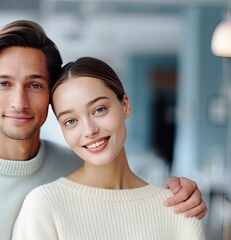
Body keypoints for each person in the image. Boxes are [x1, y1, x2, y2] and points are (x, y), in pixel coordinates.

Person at [0, 20, 206, 240]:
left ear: (50, 96)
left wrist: (181, 194)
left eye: (34, 85)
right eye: (4, 84)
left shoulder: (79, 167)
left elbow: (129, 204)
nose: (19, 102)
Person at [11, 57, 205, 239]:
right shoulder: (44, 206)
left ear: (125, 106)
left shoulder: (178, 207)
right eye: (71, 121)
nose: (89, 130)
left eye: (99, 109)